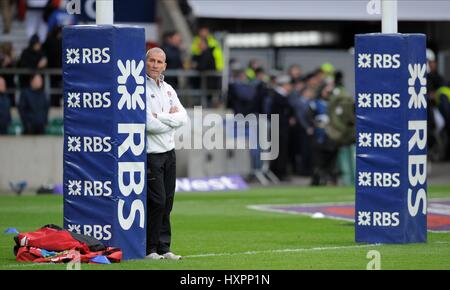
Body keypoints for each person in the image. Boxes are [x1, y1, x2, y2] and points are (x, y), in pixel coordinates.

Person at [145, 47, 189, 260]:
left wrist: (161, 117)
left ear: (165, 65)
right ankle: (150, 248)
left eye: (158, 62)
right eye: (151, 60)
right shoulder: (139, 88)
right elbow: (148, 124)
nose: (154, 65)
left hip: (169, 152)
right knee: (157, 201)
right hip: (151, 153)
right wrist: (170, 120)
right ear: (145, 62)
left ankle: (164, 247)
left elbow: (184, 118)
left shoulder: (169, 89)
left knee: (168, 201)